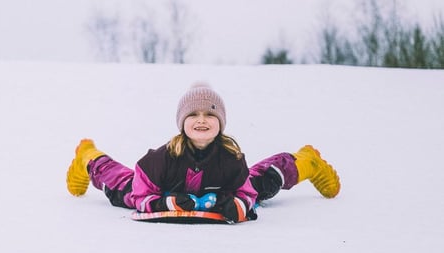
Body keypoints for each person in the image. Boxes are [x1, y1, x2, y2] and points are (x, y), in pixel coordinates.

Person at [65, 83, 340, 223]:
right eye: (193, 114)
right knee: (119, 185)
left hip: (218, 192)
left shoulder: (231, 158)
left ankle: (307, 162)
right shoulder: (162, 158)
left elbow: (246, 192)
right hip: (155, 190)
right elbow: (140, 192)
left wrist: (237, 205)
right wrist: (165, 203)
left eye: (210, 114)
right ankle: (88, 156)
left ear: (220, 123)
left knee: (264, 181)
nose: (201, 120)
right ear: (182, 123)